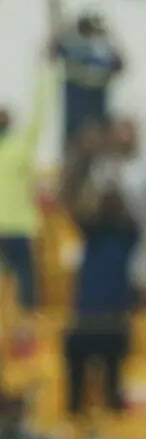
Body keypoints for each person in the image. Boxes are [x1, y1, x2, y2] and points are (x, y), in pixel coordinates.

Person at [61, 122, 141, 416]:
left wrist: (111, 170)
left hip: (110, 324)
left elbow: (131, 211)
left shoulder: (124, 235)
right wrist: (84, 159)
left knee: (112, 392)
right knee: (77, 391)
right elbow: (71, 200)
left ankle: (107, 418)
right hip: (89, 323)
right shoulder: (95, 233)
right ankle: (77, 417)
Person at [47, 0, 125, 148]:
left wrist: (110, 37)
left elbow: (122, 65)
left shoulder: (103, 51)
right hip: (75, 118)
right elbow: (56, 26)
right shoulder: (72, 45)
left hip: (97, 120)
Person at [0, 65, 52, 314]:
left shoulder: (20, 145)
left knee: (26, 281)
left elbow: (38, 116)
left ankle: (27, 322)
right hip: (9, 227)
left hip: (20, 227)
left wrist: (45, 73)